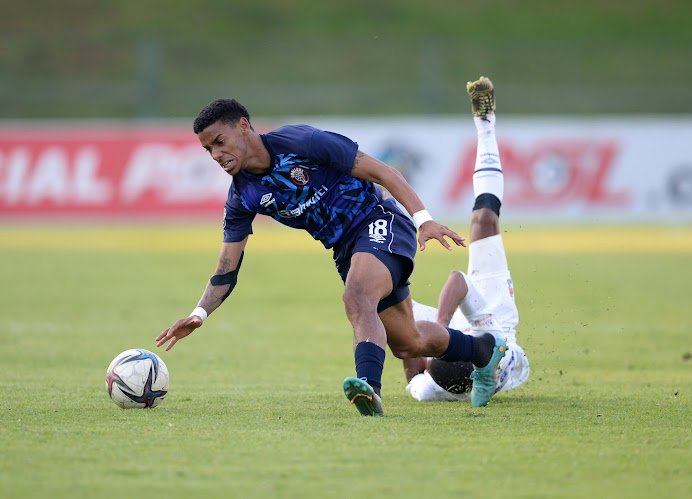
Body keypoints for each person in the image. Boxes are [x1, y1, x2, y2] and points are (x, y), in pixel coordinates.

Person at [155, 94, 508, 417]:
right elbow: (226, 268)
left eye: (220, 142)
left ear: (244, 127)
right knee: (408, 342)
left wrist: (423, 220)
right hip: (346, 250)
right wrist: (199, 313)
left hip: (379, 219)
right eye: (208, 150)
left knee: (357, 295)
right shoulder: (243, 196)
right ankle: (483, 351)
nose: (216, 155)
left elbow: (383, 172)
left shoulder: (302, 142)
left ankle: (369, 389)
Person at [405, 77, 530, 403]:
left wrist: (416, 340)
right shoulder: (496, 342)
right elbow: (458, 280)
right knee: (484, 220)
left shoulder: (428, 388)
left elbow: (412, 372)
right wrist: (442, 327)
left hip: (455, 334)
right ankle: (486, 126)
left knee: (384, 305)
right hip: (493, 316)